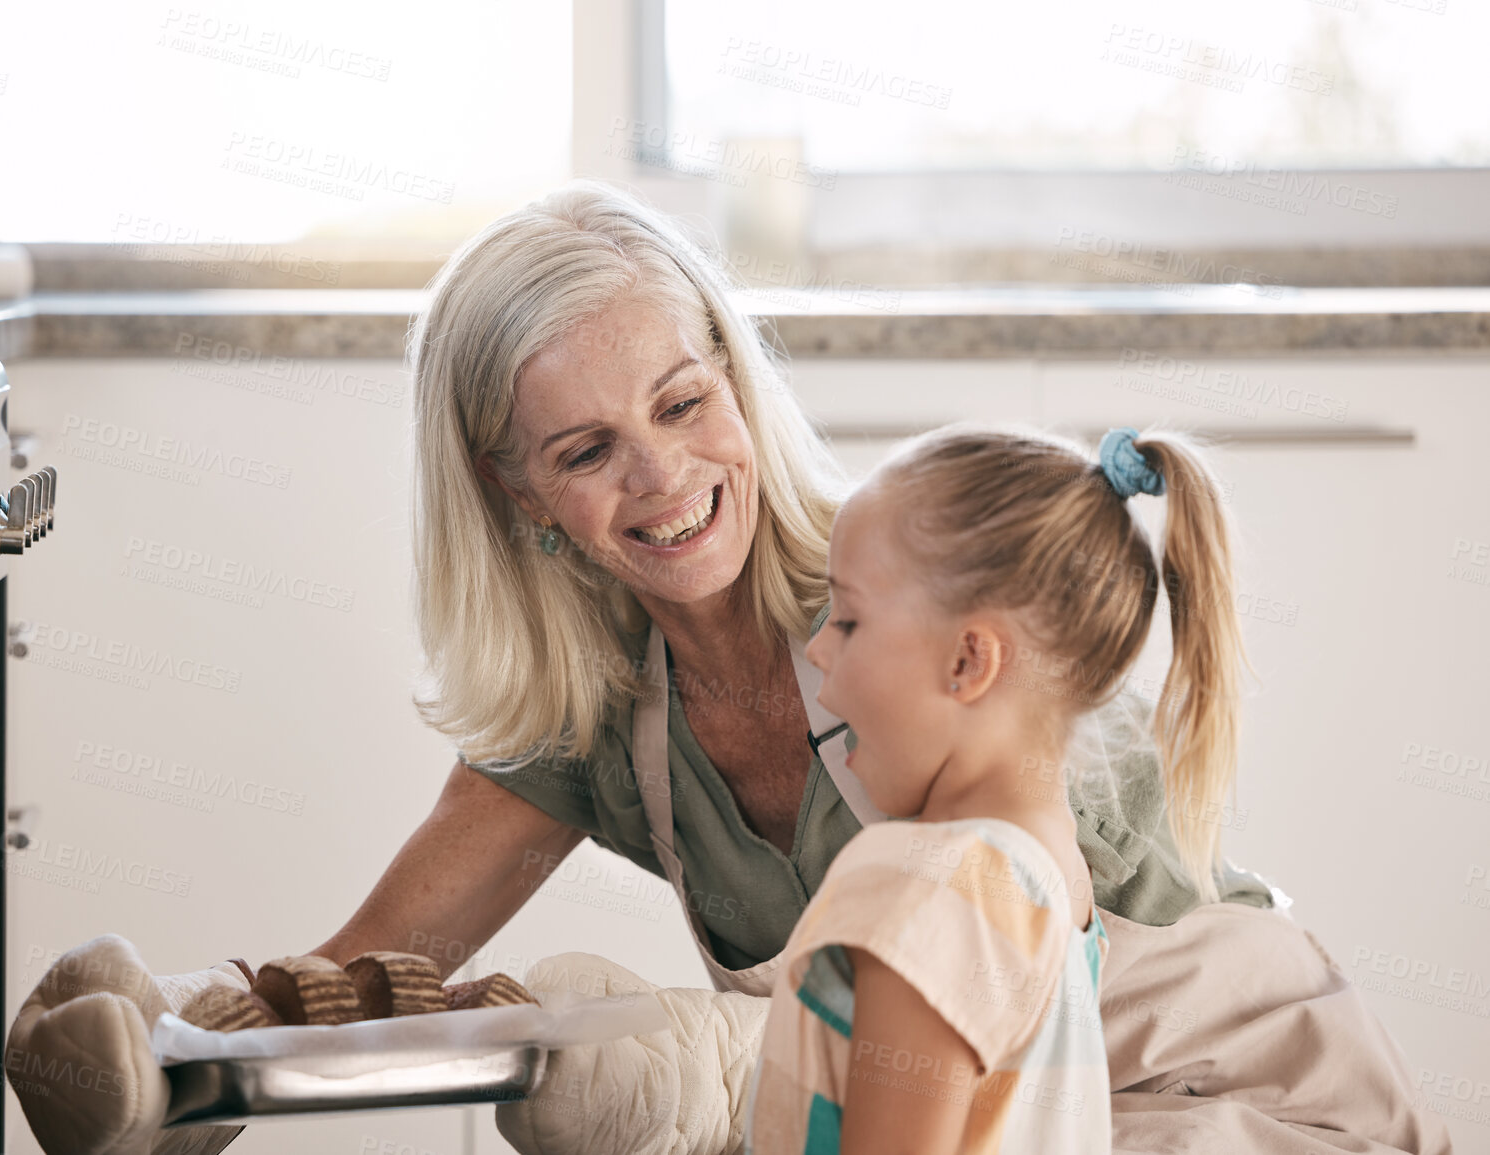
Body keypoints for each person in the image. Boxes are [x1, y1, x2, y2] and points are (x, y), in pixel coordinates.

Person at [308, 182, 1259, 995]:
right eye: (588, 450)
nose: (662, 474)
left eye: (681, 404)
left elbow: (999, 1039)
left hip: (1217, 1096)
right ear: (516, 489)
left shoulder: (913, 610)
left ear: (733, 377)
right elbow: (352, 979)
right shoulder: (592, 714)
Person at [748, 424, 1240, 1154]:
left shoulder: (934, 886)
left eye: (848, 619)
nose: (817, 648)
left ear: (967, 660)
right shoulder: (1055, 875)